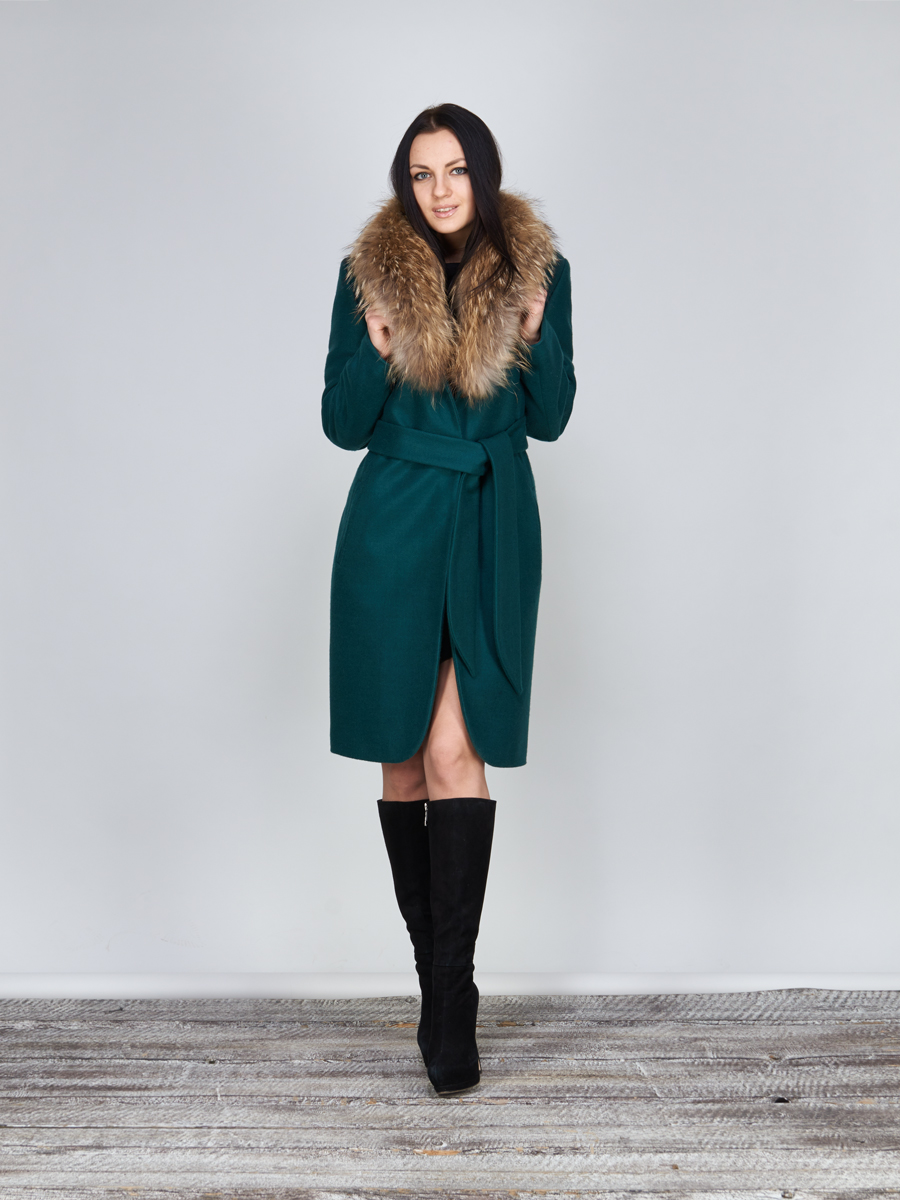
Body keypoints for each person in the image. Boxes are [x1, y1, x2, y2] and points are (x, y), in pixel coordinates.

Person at [321, 103, 575, 1095]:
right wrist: (377, 346)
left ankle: (453, 996)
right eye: (422, 173)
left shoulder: (538, 270)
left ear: (484, 174)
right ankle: (437, 989)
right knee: (404, 760)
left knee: (455, 752)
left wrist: (537, 335)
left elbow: (549, 418)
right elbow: (343, 424)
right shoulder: (368, 275)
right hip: (390, 528)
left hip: (490, 523)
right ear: (406, 183)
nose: (439, 189)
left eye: (456, 169)